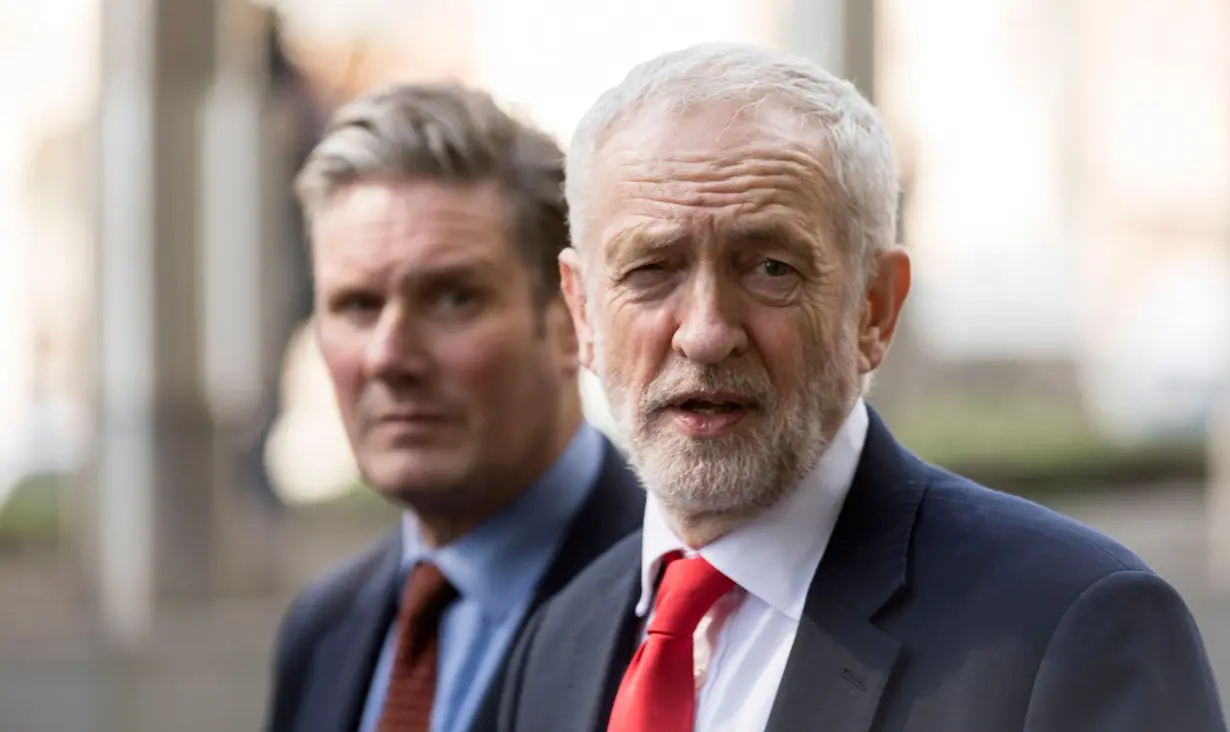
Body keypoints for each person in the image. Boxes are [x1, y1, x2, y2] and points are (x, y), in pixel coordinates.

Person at [497, 43, 1226, 732]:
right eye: (651, 270)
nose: (705, 333)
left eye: (770, 268)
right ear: (583, 310)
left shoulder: (1070, 628)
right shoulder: (556, 640)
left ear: (874, 307)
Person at [265, 82, 645, 732]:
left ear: (569, 321)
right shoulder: (323, 627)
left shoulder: (675, 617)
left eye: (452, 298)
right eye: (357, 305)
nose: (388, 356)